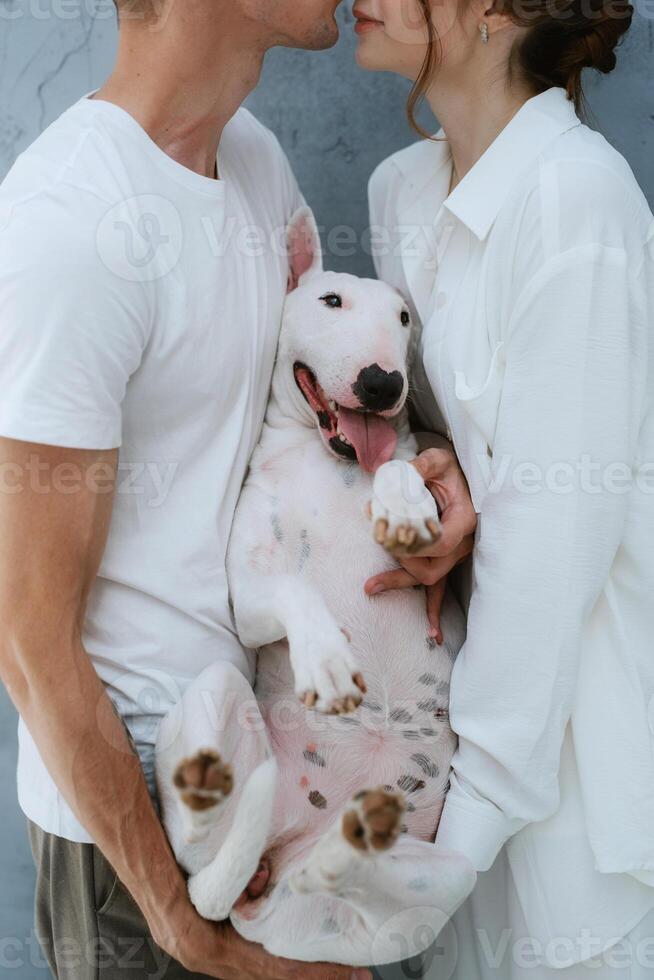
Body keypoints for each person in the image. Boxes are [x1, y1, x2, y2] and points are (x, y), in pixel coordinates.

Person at [0, 1, 476, 977]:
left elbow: (320, 417)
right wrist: (181, 926)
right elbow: (25, 632)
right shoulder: (71, 221)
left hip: (283, 784)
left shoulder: (251, 159)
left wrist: (435, 480)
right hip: (136, 829)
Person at [359, 0, 654, 975]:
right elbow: (446, 431)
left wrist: (446, 851)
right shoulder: (402, 191)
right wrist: (433, 463)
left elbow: (548, 556)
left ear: (495, 10)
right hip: (457, 752)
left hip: (574, 797)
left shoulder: (578, 203)